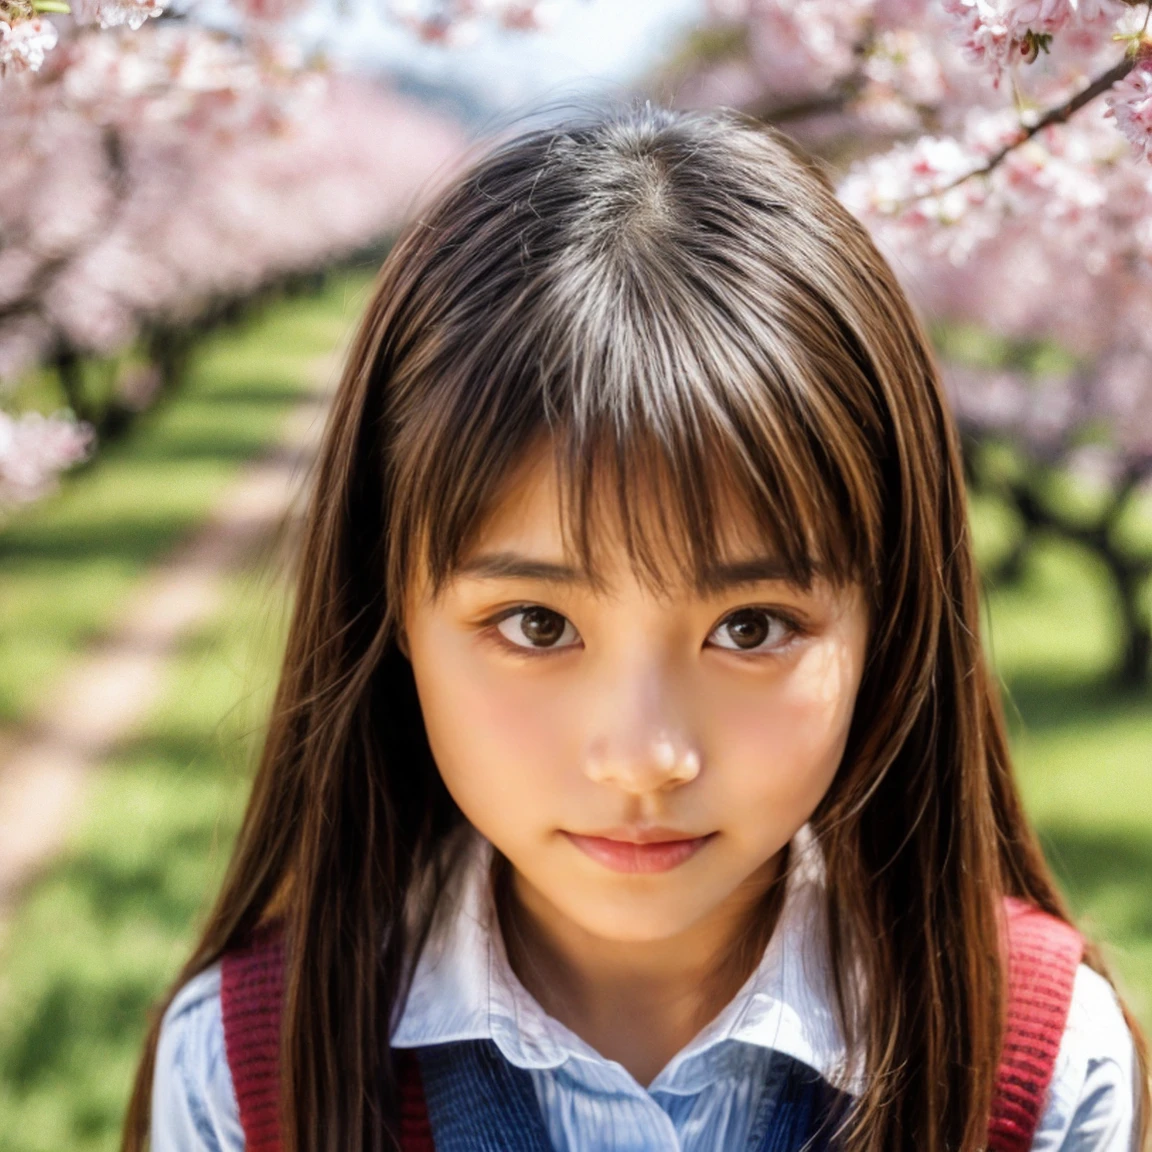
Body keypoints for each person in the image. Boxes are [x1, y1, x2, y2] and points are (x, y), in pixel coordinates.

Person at [122, 106, 1149, 1152]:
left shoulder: (1038, 1065)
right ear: (389, 617)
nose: (644, 758)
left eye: (751, 628)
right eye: (536, 623)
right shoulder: (250, 1076)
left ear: (888, 617)